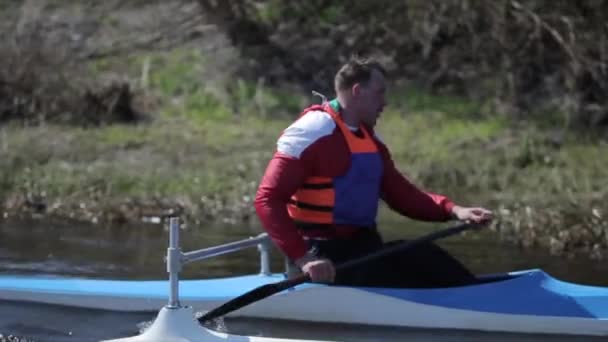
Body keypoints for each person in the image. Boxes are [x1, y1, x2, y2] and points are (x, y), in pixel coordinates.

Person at [254, 56, 493, 288]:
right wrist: (304, 258)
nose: (385, 102)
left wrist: (455, 210)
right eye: (380, 92)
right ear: (357, 91)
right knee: (419, 272)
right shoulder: (313, 131)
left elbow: (402, 195)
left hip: (362, 250)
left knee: (424, 255)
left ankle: (479, 295)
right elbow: (267, 199)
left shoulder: (369, 138)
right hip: (321, 261)